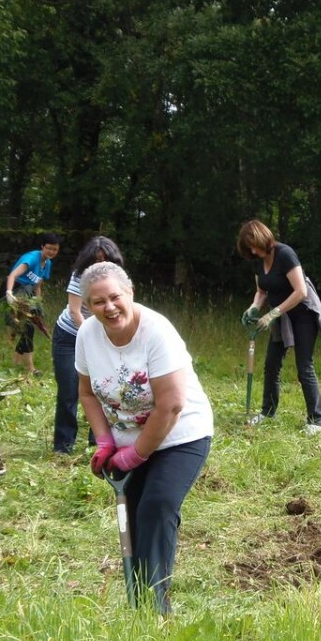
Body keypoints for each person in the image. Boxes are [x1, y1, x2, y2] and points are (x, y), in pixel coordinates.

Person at [76, 262, 213, 613]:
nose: (108, 307)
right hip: (127, 439)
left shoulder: (156, 332)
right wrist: (105, 441)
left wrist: (136, 455)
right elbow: (88, 393)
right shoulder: (87, 335)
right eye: (97, 302)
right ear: (86, 305)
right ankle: (138, 603)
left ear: (130, 293)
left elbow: (171, 405)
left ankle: (156, 609)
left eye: (114, 297)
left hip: (180, 433)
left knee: (157, 506)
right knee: (134, 517)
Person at [235, 219, 321, 435]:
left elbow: (301, 291)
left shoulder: (285, 254)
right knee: (271, 364)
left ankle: (315, 421)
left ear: (263, 238)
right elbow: (262, 290)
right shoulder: (257, 260)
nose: (253, 250)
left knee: (304, 366)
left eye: (254, 245)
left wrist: (273, 313)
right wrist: (254, 308)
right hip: (280, 316)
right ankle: (268, 412)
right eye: (249, 248)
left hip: (302, 314)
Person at [52, 236, 125, 454]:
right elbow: (75, 311)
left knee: (102, 390)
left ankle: (98, 444)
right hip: (69, 337)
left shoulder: (117, 279)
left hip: (102, 337)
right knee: (69, 391)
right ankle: (63, 447)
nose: (100, 264)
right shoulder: (80, 276)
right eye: (96, 260)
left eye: (105, 260)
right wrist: (92, 337)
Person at [3, 232, 60, 374]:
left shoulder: (47, 263)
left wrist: (37, 303)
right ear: (42, 247)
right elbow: (12, 275)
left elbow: (37, 286)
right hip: (15, 289)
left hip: (28, 294)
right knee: (28, 328)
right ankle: (31, 369)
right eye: (49, 248)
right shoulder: (32, 258)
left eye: (55, 249)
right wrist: (9, 293)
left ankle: (16, 361)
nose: (52, 252)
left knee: (31, 325)